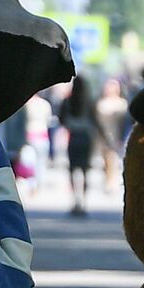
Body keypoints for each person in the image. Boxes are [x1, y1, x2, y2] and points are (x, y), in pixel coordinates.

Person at [59, 76, 97, 216]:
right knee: (85, 170)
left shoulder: (68, 102)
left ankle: (75, 200)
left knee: (73, 169)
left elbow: (61, 119)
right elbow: (95, 120)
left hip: (73, 136)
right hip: (86, 137)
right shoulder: (89, 102)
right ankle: (84, 201)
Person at [94, 77, 129, 193]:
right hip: (103, 137)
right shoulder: (101, 103)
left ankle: (111, 182)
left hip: (117, 135)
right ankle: (108, 180)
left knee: (113, 159)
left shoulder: (122, 104)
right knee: (105, 160)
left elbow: (125, 123)